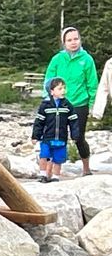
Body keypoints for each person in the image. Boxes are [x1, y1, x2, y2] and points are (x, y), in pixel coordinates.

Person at [46, 27, 99, 176]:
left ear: (80, 40)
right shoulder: (57, 59)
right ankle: (53, 172)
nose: (73, 42)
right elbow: (49, 80)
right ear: (64, 42)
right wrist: (49, 99)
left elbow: (92, 84)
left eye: (76, 39)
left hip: (79, 104)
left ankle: (86, 168)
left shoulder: (87, 59)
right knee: (57, 137)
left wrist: (92, 105)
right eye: (69, 40)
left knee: (78, 137)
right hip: (60, 104)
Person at [33, 76, 76, 183]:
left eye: (64, 88)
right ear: (51, 91)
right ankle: (42, 175)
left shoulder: (67, 105)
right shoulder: (45, 106)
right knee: (44, 155)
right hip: (47, 137)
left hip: (61, 137)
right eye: (60, 89)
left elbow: (73, 121)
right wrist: (35, 136)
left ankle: (55, 176)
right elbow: (39, 122)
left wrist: (75, 135)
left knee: (58, 158)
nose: (63, 91)